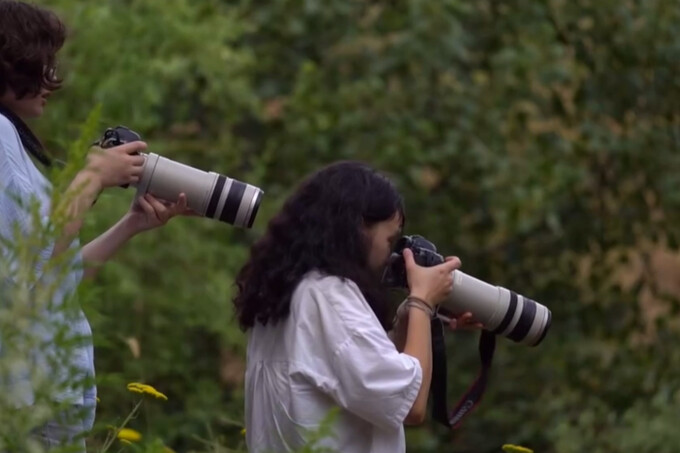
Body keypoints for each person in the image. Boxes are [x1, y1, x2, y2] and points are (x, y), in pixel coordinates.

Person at [0, 0, 193, 449]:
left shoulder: (12, 138)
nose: (53, 80)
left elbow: (51, 276)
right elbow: (25, 263)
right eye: (43, 63)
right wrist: (91, 178)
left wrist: (130, 225)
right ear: (12, 63)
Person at [233, 161, 482, 453]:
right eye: (389, 240)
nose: (390, 254)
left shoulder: (291, 294)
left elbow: (354, 373)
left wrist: (412, 316)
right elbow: (410, 405)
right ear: (359, 227)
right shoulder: (329, 297)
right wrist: (421, 301)